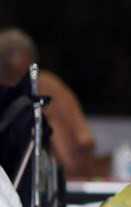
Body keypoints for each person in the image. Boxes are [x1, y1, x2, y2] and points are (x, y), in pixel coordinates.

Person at [0, 27, 96, 179]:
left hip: (62, 181)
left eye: (30, 73)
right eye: (15, 76)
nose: (25, 83)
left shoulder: (50, 88)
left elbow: (85, 141)